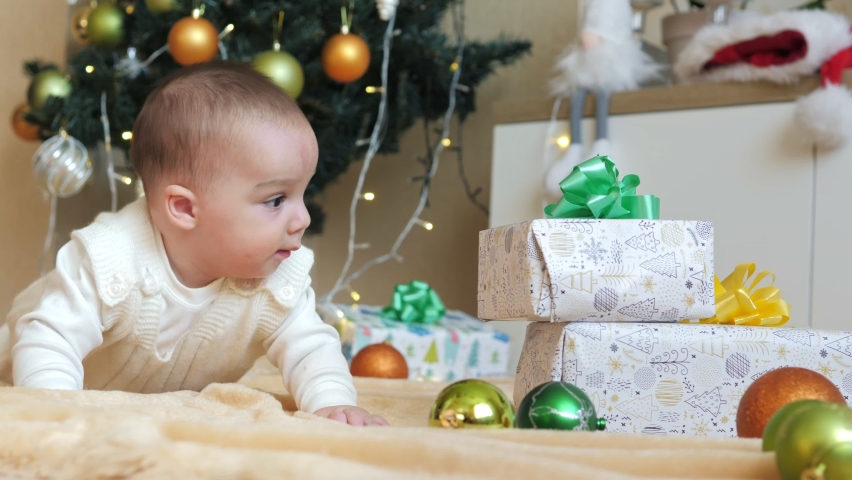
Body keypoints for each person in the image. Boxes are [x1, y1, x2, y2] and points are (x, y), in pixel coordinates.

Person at [0, 61, 387, 427]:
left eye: (303, 193)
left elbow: (310, 348)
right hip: (22, 370)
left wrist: (333, 401)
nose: (302, 219)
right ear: (184, 208)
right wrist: (56, 413)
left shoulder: (277, 278)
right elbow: (49, 338)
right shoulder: (110, 261)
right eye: (276, 200)